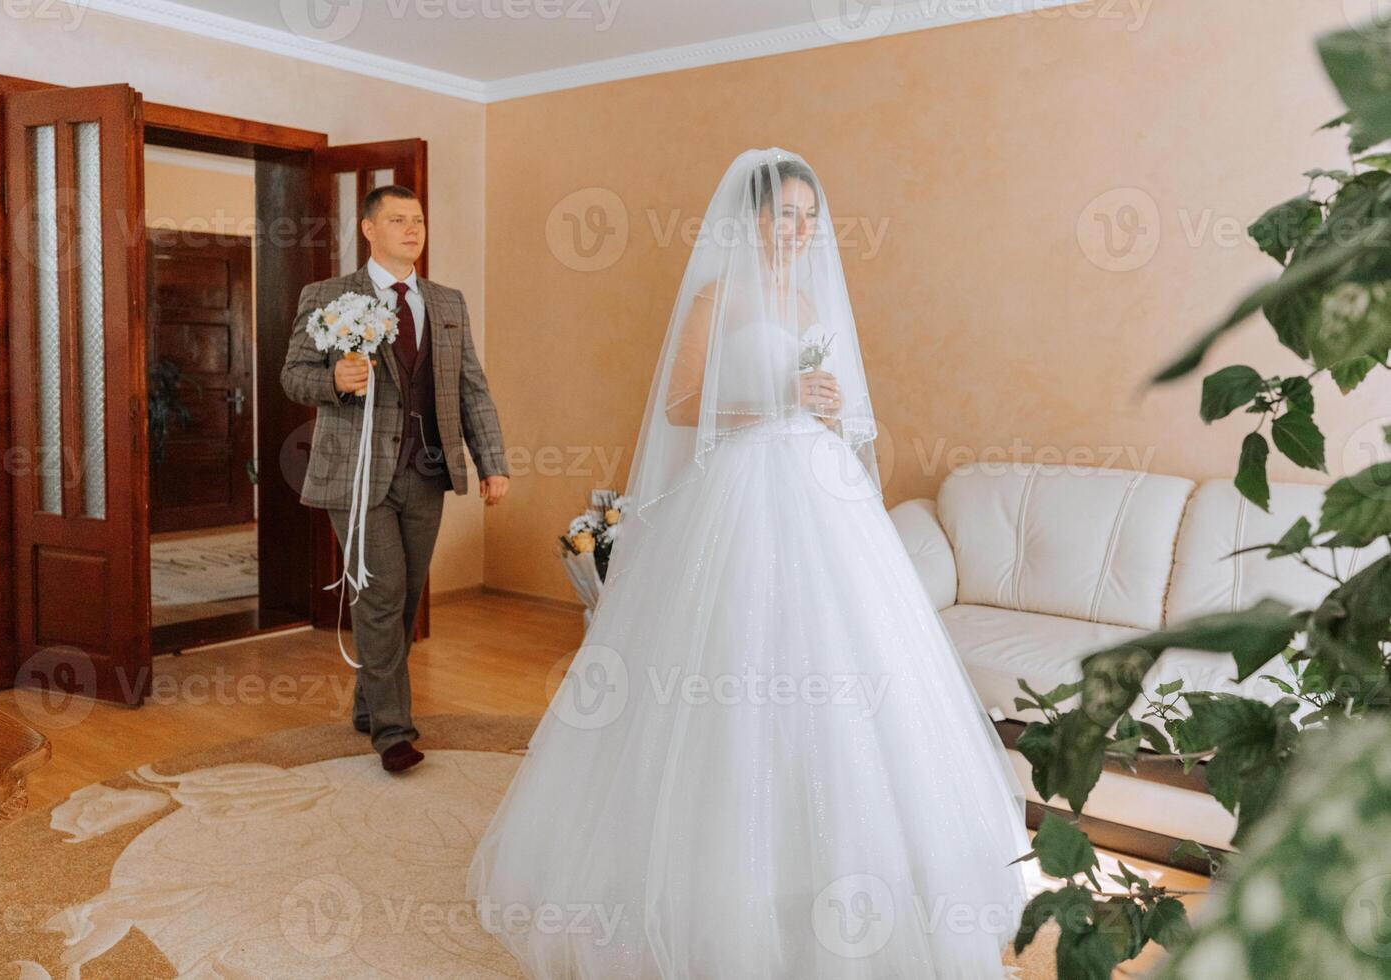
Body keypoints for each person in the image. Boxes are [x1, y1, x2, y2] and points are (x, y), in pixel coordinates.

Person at [466, 149, 1033, 977]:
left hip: (817, 485)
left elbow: (821, 391)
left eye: (811, 217)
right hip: (739, 490)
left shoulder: (807, 297)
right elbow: (683, 405)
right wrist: (777, 401)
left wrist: (827, 403)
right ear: (752, 218)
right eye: (786, 216)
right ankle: (714, 871)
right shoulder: (716, 295)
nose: (800, 231)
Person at [281, 185, 509, 773]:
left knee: (403, 599)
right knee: (380, 596)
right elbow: (294, 376)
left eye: (419, 220)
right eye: (398, 220)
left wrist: (492, 463)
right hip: (356, 477)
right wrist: (336, 380)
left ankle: (368, 704)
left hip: (426, 472)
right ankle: (393, 732)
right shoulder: (330, 295)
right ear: (368, 229)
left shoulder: (448, 302)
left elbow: (471, 389)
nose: (413, 229)